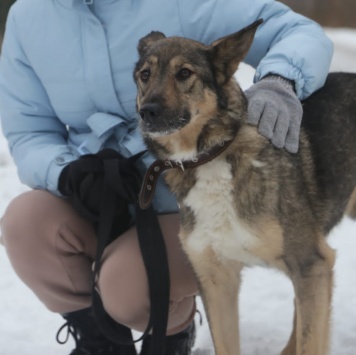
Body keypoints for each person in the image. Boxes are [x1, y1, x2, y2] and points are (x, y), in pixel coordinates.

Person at [0, 0, 333, 354]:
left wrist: (280, 79)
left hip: (189, 202)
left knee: (126, 289)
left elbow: (296, 31)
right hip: (98, 192)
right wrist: (66, 172)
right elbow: (29, 130)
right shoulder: (30, 15)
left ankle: (172, 330)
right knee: (26, 224)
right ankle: (101, 343)